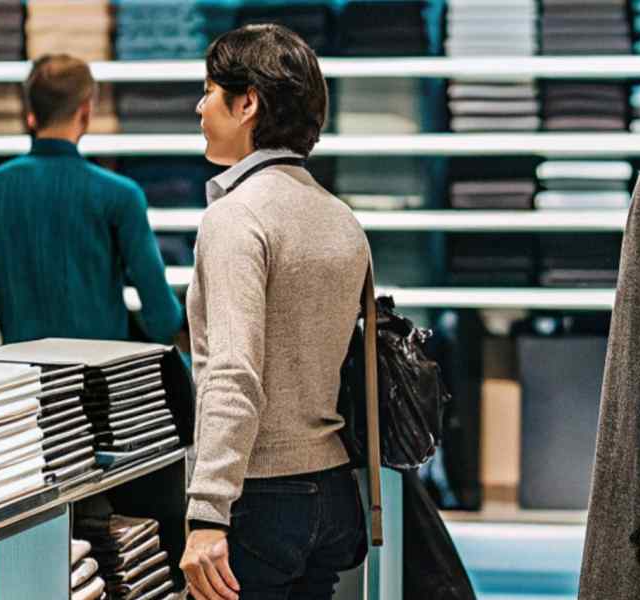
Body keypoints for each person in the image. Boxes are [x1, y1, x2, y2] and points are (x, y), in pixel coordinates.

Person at [179, 24, 373, 600]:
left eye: (210, 91)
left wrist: (208, 511)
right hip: (335, 489)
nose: (199, 106)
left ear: (247, 104)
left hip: (258, 496)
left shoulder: (237, 217)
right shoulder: (341, 218)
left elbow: (234, 372)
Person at [0, 54, 183, 344]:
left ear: (30, 114)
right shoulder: (120, 195)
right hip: (99, 377)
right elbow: (163, 316)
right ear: (85, 112)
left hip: (20, 378)